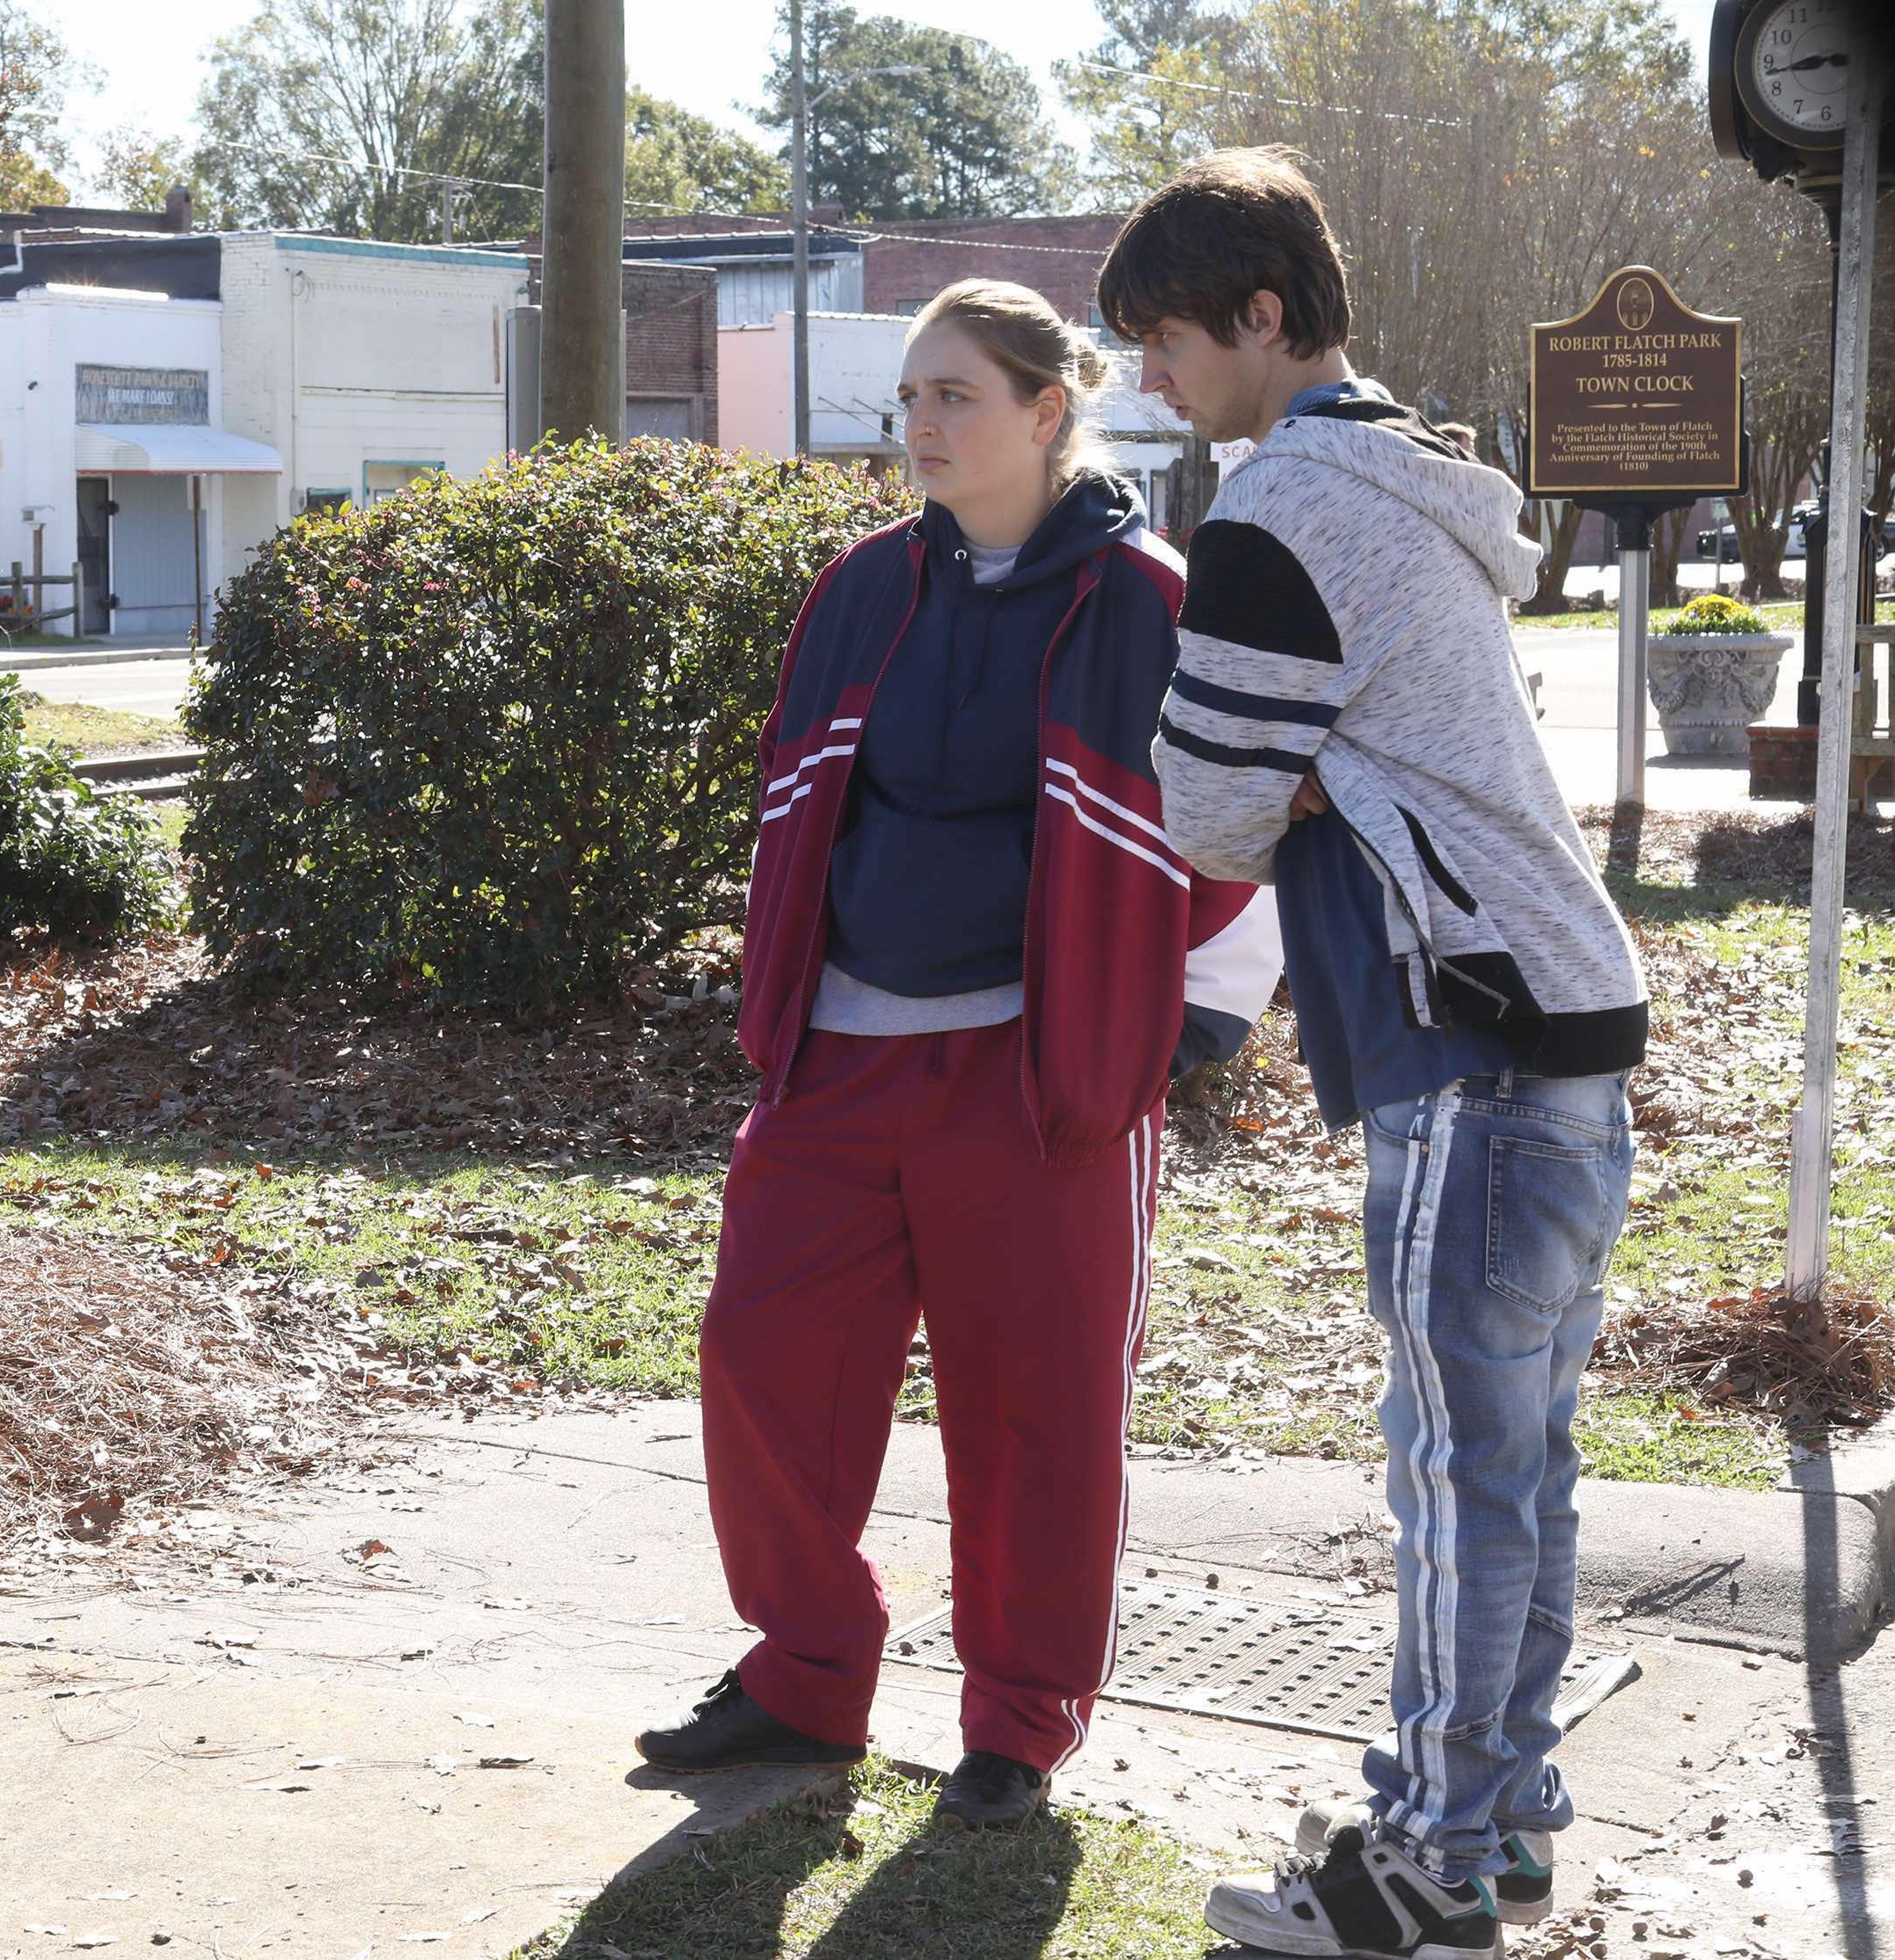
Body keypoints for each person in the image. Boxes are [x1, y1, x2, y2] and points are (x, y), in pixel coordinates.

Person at [636, 281, 1280, 1829]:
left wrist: (1190, 1021)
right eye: (908, 399)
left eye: (955, 398)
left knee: (1037, 1409)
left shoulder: (1147, 597)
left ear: (1048, 411)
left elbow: (1232, 827)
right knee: (762, 1359)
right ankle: (805, 1674)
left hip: (1040, 1073)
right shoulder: (863, 585)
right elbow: (804, 803)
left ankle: (1019, 1717)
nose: (921, 426)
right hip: (843, 1062)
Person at [1106, 148, 1649, 1960]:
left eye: (1170, 341)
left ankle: (1418, 1865)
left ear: (1265, 318)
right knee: (1523, 1461)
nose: (1153, 380)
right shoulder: (1414, 479)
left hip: (1466, 1048)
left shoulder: (1282, 517)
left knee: (1452, 1469)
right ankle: (1490, 1836)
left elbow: (1208, 816)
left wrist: (1299, 772)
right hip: (1558, 1039)